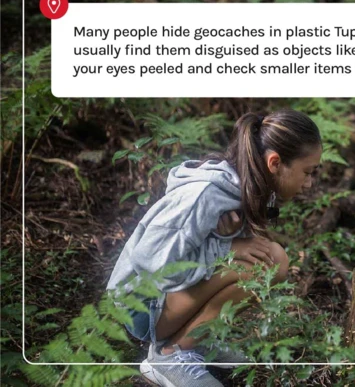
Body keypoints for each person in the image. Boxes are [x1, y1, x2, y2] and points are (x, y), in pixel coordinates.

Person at [106, 110, 322, 387]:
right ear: (275, 162)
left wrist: (224, 240)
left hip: (162, 299)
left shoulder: (247, 184)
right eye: (307, 172)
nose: (309, 183)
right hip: (141, 306)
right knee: (270, 260)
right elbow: (150, 262)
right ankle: (171, 356)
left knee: (271, 257)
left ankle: (198, 340)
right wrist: (226, 247)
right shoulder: (205, 194)